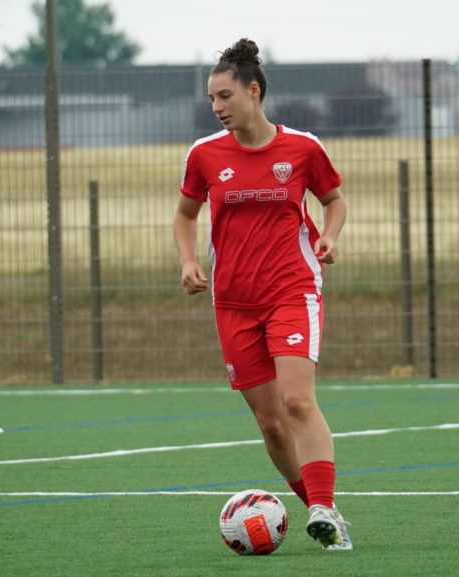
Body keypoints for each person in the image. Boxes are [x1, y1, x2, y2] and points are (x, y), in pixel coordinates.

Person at [172, 38, 352, 552]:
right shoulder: (204, 155)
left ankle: (321, 506)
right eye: (211, 99)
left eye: (225, 96)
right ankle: (327, 513)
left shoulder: (302, 148)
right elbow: (185, 215)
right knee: (272, 426)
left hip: (292, 290)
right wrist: (187, 261)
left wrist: (329, 235)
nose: (216, 107)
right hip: (231, 302)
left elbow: (333, 200)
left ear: (254, 91)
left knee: (297, 399)